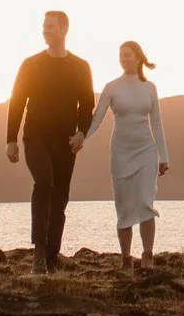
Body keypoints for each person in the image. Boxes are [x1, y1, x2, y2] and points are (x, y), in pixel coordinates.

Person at [5, 9, 94, 274]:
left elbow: (86, 106)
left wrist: (81, 134)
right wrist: (11, 139)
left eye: (50, 27)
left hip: (65, 141)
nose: (45, 30)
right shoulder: (30, 64)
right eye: (44, 26)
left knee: (61, 197)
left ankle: (53, 255)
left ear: (64, 30)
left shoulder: (81, 66)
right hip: (36, 137)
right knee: (44, 183)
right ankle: (39, 254)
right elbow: (17, 102)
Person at [72, 40, 170, 269]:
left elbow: (156, 124)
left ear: (138, 58)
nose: (124, 58)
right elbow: (96, 120)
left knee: (146, 201)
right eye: (121, 55)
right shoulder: (112, 87)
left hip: (146, 150)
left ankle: (147, 256)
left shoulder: (150, 88)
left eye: (128, 55)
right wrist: (81, 138)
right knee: (124, 206)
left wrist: (163, 156)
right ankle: (126, 258)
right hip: (121, 153)